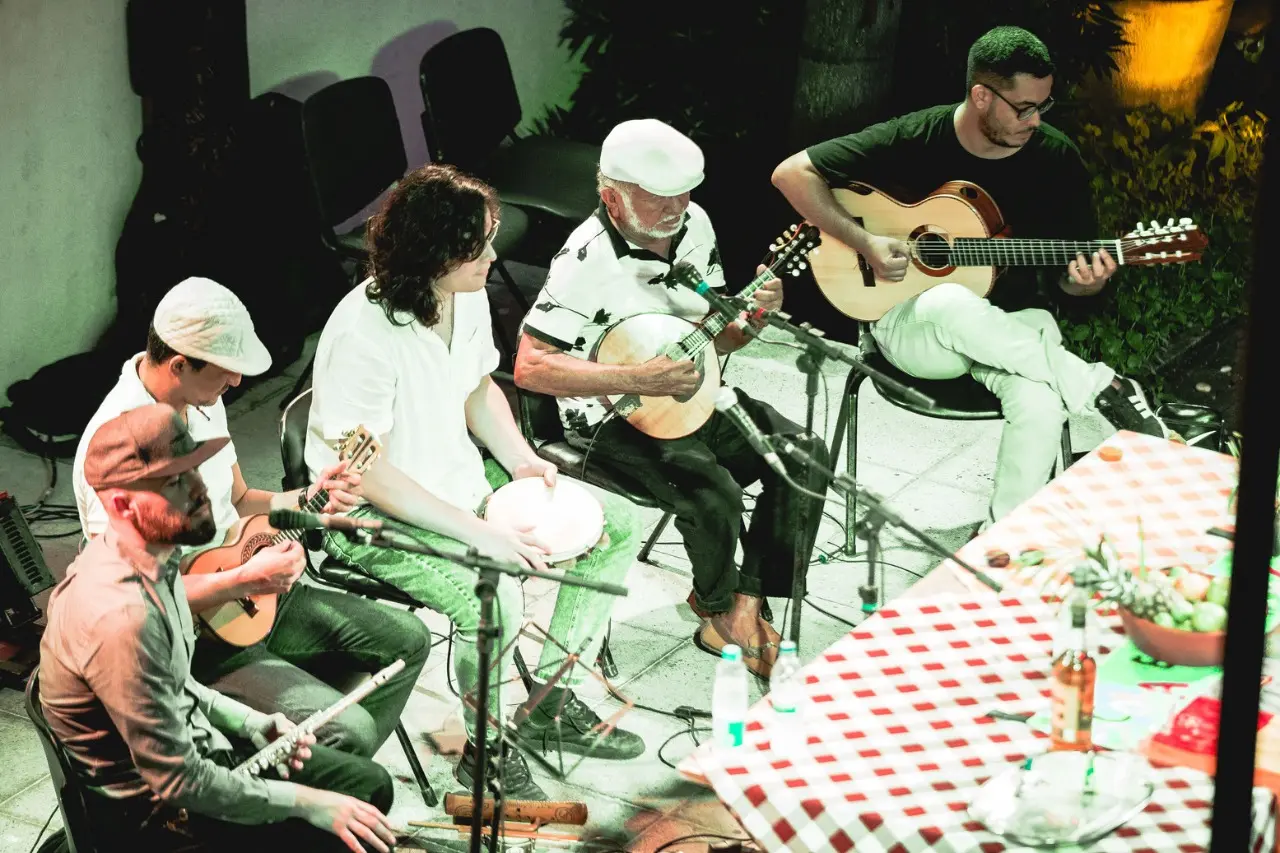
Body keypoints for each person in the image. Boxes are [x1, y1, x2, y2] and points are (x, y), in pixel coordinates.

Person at [304, 163, 646, 802]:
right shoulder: (361, 334)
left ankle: (548, 703)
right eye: (477, 246)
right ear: (432, 252)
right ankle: (483, 754)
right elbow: (364, 472)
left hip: (455, 478)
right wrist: (480, 532)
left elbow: (477, 386)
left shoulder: (463, 294)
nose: (493, 256)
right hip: (367, 512)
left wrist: (518, 459)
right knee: (495, 599)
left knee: (617, 526)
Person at [771, 25, 1170, 528]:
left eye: (1044, 106)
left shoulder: (1055, 159)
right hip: (913, 327)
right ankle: (1099, 386)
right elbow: (791, 174)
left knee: (1041, 401)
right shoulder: (916, 136)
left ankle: (1003, 539)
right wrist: (866, 242)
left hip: (1014, 331)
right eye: (1024, 108)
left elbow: (1071, 281)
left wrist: (1085, 284)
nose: (1036, 120)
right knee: (948, 301)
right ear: (982, 96)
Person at [513, 118, 830, 681]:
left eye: (685, 192)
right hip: (608, 415)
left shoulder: (694, 224)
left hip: (689, 391)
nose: (678, 207)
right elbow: (531, 367)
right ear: (612, 196)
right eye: (660, 197)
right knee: (714, 492)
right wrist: (640, 378)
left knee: (802, 453)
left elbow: (719, 334)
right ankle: (717, 609)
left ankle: (744, 606)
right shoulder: (584, 259)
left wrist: (754, 317)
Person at [71, 277, 430, 758]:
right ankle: (277, 780)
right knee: (352, 732)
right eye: (226, 371)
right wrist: (244, 578)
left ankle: (322, 775)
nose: (237, 382)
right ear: (179, 365)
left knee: (411, 640)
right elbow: (133, 600)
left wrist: (309, 497)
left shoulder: (204, 400)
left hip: (255, 595)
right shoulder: (118, 449)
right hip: (197, 640)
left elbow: (239, 499)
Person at [41, 403, 399, 852]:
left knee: (367, 784)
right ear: (121, 505)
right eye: (173, 482)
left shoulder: (156, 558)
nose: (198, 490)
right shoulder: (121, 618)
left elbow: (177, 684)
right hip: (161, 818)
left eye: (193, 470)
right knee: (348, 816)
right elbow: (181, 782)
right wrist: (306, 803)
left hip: (197, 760)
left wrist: (250, 722)